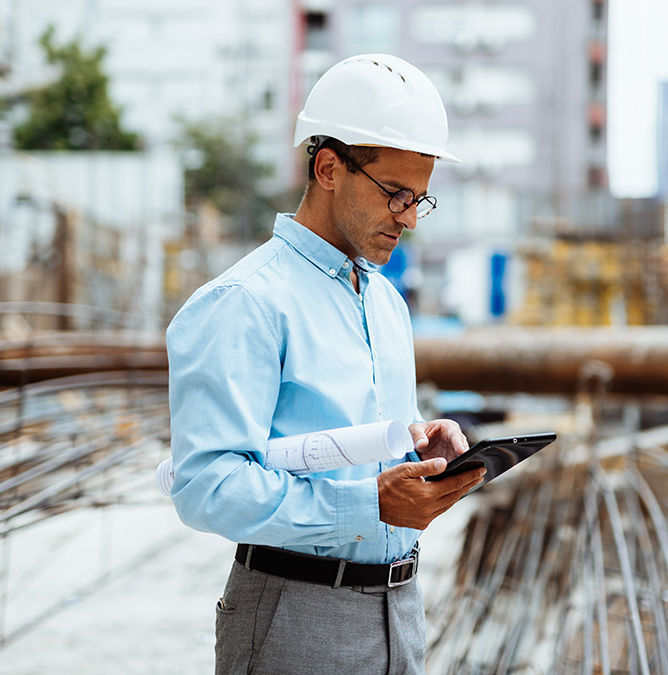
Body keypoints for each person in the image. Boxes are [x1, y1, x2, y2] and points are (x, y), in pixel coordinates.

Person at [166, 54, 485, 674]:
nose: (409, 217)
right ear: (329, 168)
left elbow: (367, 442)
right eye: (395, 194)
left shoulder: (386, 303)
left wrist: (421, 445)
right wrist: (369, 507)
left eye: (420, 199)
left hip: (401, 610)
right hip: (295, 613)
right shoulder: (245, 302)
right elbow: (206, 486)